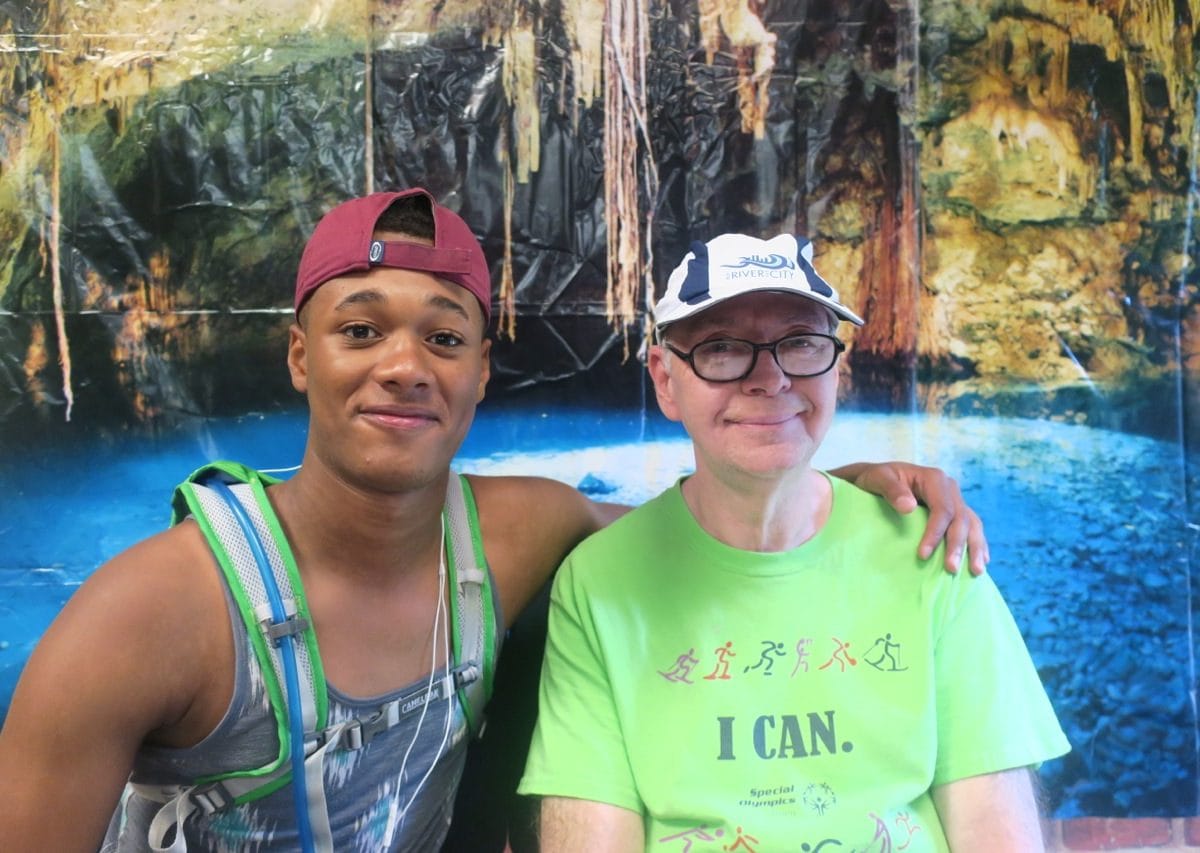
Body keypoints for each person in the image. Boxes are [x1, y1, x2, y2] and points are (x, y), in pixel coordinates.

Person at [0, 192, 987, 852]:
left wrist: (844, 482)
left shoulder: (516, 535)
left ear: (480, 372)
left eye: (442, 337)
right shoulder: (151, 611)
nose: (403, 365)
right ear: (300, 356)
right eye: (359, 330)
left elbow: (707, 523)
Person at [518, 232, 1070, 851]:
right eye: (722, 348)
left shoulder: (933, 551)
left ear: (836, 367)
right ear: (665, 380)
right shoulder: (600, 581)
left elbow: (994, 825)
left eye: (801, 342)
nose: (771, 378)